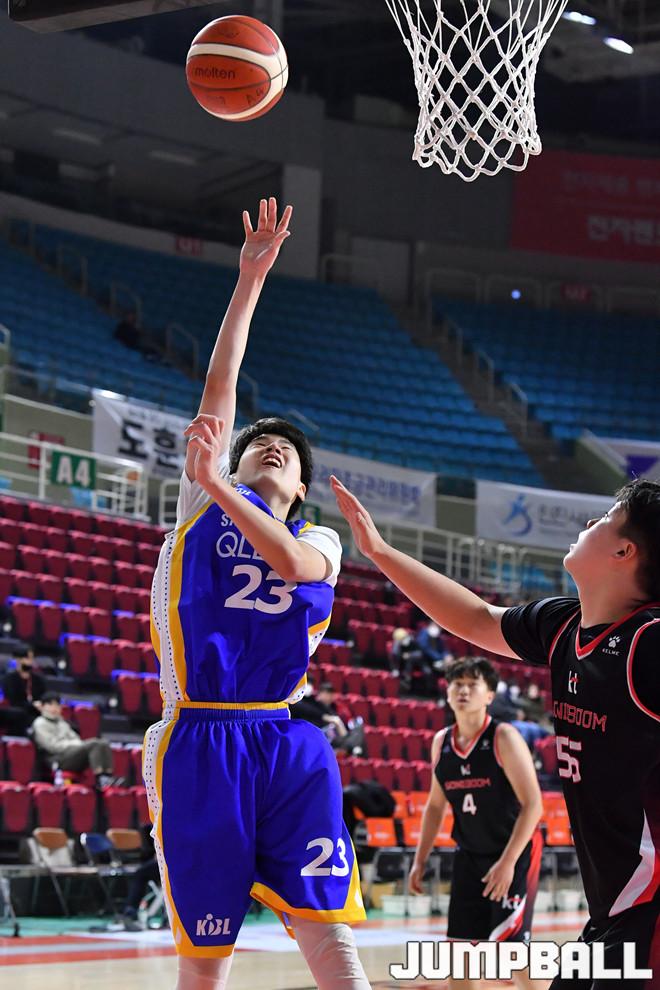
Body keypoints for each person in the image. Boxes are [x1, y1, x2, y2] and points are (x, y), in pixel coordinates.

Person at [143, 198, 369, 990]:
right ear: (232, 463)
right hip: (200, 737)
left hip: (284, 740)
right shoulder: (200, 500)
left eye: (285, 450)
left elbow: (296, 567)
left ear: (301, 488)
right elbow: (222, 382)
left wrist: (219, 483)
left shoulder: (321, 539)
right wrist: (250, 280)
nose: (269, 445)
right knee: (206, 961)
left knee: (330, 938)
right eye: (256, 443)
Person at [332, 475, 660, 990]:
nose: (589, 521)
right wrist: (379, 552)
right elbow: (476, 618)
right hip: (610, 915)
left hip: (649, 913)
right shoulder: (563, 626)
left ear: (624, 550)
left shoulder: (649, 642)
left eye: (606, 517)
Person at [409, 657, 544, 989]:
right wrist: (420, 859)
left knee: (512, 954)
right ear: (447, 692)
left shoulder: (504, 737)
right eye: (457, 684)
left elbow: (534, 805)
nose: (464, 691)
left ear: (490, 695)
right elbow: (435, 806)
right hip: (470, 854)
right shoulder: (441, 742)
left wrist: (508, 863)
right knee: (459, 955)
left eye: (473, 685)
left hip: (514, 851)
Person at [32, 693, 115, 787]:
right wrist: (72, 744)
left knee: (103, 743)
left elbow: (76, 739)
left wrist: (74, 744)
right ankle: (101, 779)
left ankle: (107, 776)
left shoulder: (62, 723)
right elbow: (52, 747)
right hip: (56, 759)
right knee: (94, 744)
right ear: (42, 707)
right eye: (50, 705)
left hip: (70, 754)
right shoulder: (40, 723)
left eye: (57, 705)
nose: (54, 708)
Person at [1, 647, 46, 733]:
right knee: (20, 715)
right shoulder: (9, 679)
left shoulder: (38, 679)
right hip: (18, 712)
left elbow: (44, 696)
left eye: (32, 658)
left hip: (36, 712)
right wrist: (32, 705)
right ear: (18, 659)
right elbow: (13, 701)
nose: (31, 661)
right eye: (28, 658)